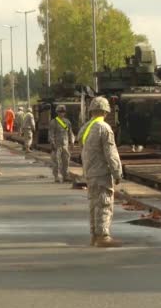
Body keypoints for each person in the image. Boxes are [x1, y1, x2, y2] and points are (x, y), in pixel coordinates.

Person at [77, 97, 123, 248]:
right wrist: (117, 173)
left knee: (93, 204)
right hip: (101, 172)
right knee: (104, 203)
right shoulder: (104, 128)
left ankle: (94, 236)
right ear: (105, 111)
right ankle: (103, 236)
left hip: (90, 171)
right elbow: (111, 153)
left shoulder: (86, 127)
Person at [49, 105, 75, 183]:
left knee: (66, 161)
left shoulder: (67, 122)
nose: (62, 113)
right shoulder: (54, 122)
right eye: (60, 112)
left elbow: (70, 132)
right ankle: (56, 176)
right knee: (56, 161)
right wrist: (52, 142)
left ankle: (65, 176)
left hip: (65, 144)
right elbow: (51, 133)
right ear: (57, 112)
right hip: (57, 145)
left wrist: (72, 141)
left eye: (63, 112)